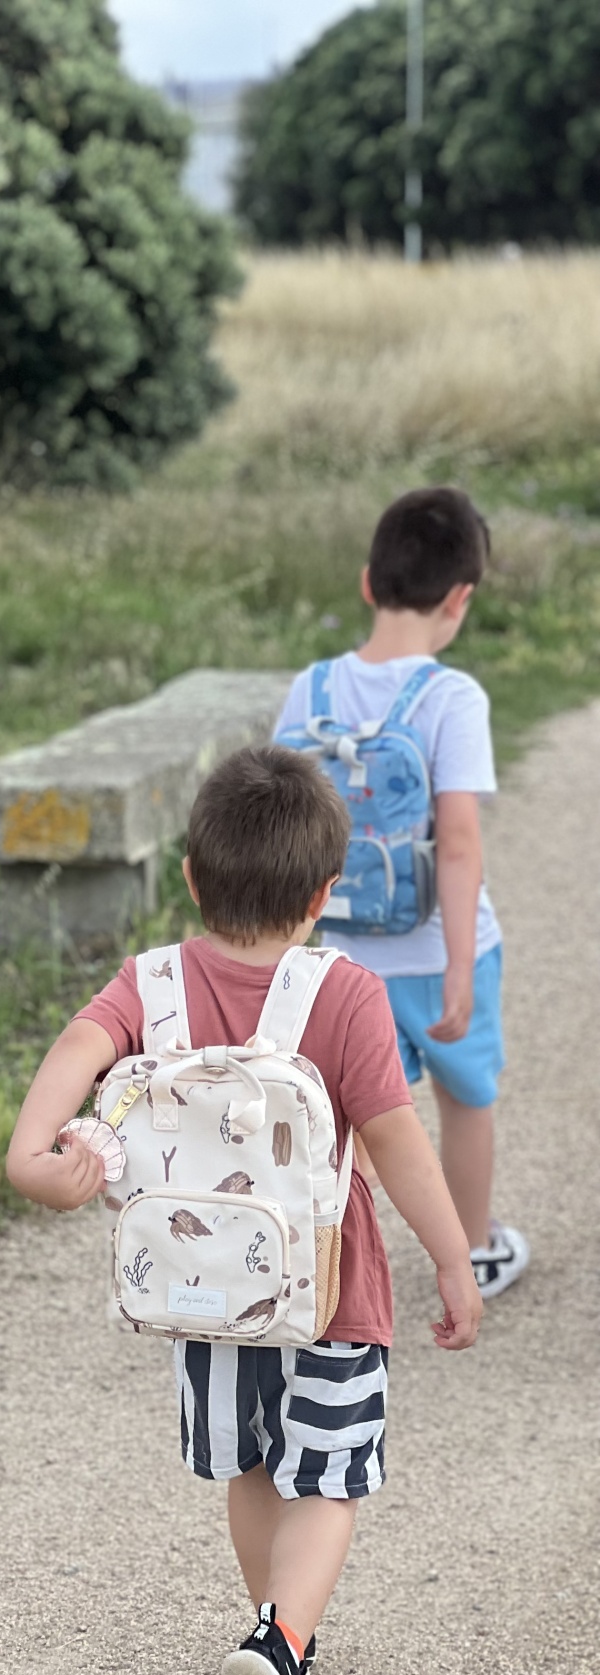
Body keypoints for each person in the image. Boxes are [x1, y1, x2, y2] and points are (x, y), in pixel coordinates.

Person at [6, 746, 483, 1675]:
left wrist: (33, 1154)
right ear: (323, 894)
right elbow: (397, 1142)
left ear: (190, 877)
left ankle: (274, 1631)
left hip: (204, 1293)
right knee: (329, 1479)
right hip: (330, 1289)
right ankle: (281, 1643)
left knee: (255, 1465)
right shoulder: (345, 994)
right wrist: (453, 1256)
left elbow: (78, 1052)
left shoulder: (150, 983)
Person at [274, 486, 527, 1300]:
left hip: (344, 957)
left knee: (347, 1112)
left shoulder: (310, 692)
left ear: (366, 583)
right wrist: (458, 965)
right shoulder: (452, 699)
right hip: (438, 947)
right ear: (460, 598)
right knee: (465, 1097)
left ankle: (325, 1258)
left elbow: (280, 827)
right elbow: (458, 842)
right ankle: (475, 1249)